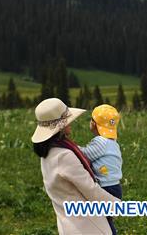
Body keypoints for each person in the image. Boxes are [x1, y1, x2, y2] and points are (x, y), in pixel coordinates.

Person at [32, 98, 120, 234]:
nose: (71, 123)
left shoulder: (47, 153)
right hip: (87, 226)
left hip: (69, 224)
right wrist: (118, 207)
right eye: (68, 120)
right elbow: (90, 189)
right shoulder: (64, 155)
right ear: (61, 126)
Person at [81, 104, 123, 235]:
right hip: (115, 187)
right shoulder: (113, 142)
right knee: (106, 219)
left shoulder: (101, 142)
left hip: (105, 188)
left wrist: (71, 147)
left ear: (93, 124)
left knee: (103, 222)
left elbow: (85, 154)